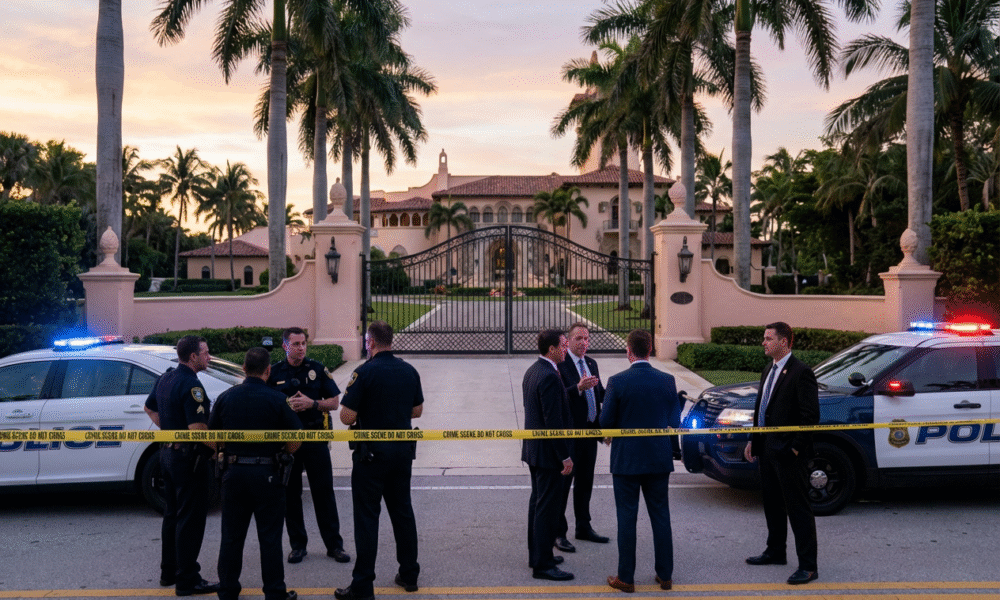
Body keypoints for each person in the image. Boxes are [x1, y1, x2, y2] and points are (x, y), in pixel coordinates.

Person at [334, 321, 423, 600]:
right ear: (391, 341)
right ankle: (409, 574)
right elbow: (417, 411)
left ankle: (362, 585)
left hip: (370, 456)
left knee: (367, 519)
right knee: (402, 513)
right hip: (401, 454)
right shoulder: (409, 370)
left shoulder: (364, 372)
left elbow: (346, 416)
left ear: (370, 342)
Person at [209, 347, 302, 600]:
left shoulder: (226, 397)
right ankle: (274, 592)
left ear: (243, 369)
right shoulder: (278, 399)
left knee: (231, 537)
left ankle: (227, 591)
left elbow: (210, 437)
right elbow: (296, 440)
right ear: (268, 370)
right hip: (268, 474)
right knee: (270, 538)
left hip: (234, 473)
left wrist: (227, 450)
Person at [599, 329, 681, 593]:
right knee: (661, 516)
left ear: (629, 351)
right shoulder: (667, 380)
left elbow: (605, 422)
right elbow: (675, 421)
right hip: (658, 458)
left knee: (627, 518)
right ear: (649, 350)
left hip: (627, 461)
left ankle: (626, 578)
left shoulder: (617, 381)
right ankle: (665, 575)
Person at [743, 322, 820, 585]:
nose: (763, 343)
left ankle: (808, 566)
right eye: (763, 338)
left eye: (768, 338)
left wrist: (795, 448)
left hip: (788, 454)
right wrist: (754, 440)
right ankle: (775, 551)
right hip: (767, 450)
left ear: (785, 341)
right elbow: (761, 409)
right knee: (772, 505)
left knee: (798, 509)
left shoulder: (801, 373)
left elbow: (810, 416)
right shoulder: (769, 369)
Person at [143, 335, 220, 596]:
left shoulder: (166, 378)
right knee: (190, 519)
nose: (209, 357)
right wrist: (220, 451)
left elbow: (149, 408)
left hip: (168, 455)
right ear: (193, 357)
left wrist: (168, 429)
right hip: (188, 461)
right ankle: (188, 579)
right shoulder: (191, 385)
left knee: (172, 516)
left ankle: (169, 572)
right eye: (206, 353)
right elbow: (198, 429)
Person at [267, 327, 351, 564]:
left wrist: (312, 403)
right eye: (296, 344)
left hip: (315, 440)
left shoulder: (317, 369)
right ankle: (298, 546)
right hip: (288, 444)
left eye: (303, 343)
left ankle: (334, 545)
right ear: (285, 346)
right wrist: (286, 406)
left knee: (324, 494)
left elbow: (334, 403)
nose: (301, 348)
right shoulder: (274, 373)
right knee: (291, 495)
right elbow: (267, 406)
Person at [522, 329, 575, 582]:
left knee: (537, 505)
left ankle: (538, 555)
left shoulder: (534, 370)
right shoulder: (549, 376)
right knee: (546, 508)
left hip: (535, 451)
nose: (566, 348)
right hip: (548, 454)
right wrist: (564, 457)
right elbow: (552, 421)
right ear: (551, 349)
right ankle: (542, 565)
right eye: (563, 345)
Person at [555, 322, 610, 552]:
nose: (584, 343)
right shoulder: (561, 363)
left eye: (587, 339)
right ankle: (559, 532)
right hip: (570, 435)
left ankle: (583, 526)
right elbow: (557, 397)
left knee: (585, 483)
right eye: (579, 339)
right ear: (568, 341)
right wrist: (577, 387)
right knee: (564, 485)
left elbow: (599, 397)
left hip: (589, 433)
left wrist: (604, 428)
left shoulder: (591, 363)